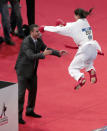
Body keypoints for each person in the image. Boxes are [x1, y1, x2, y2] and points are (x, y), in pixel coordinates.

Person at [15, 24, 67, 124]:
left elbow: (45, 48)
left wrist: (57, 53)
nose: (39, 33)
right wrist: (43, 54)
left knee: (33, 91)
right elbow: (30, 56)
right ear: (31, 33)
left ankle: (29, 111)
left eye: (39, 31)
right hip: (22, 71)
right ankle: (18, 116)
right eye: (37, 31)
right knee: (21, 95)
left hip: (32, 71)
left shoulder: (38, 40)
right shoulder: (26, 42)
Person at [39, 8, 103, 90]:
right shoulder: (86, 22)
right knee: (88, 62)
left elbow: (59, 30)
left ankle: (80, 78)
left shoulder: (74, 26)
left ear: (78, 15)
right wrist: (65, 24)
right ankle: (91, 71)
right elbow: (73, 25)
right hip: (94, 49)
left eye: (74, 15)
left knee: (72, 68)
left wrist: (45, 28)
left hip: (84, 49)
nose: (73, 16)